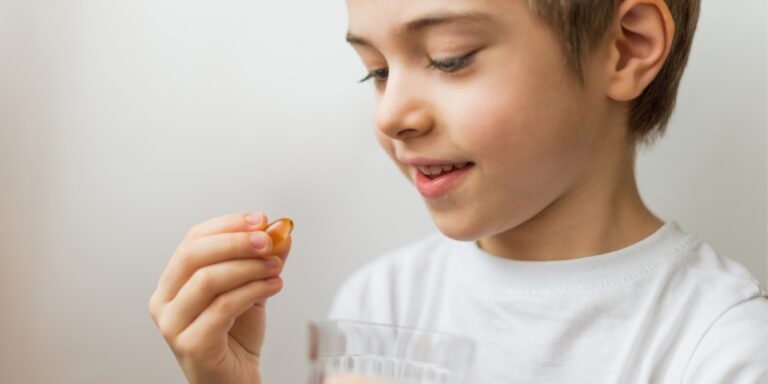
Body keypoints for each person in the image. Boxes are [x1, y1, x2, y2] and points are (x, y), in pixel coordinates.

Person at [149, 0, 768, 383]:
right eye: (377, 70)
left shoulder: (719, 346)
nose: (392, 114)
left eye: (449, 58)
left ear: (626, 47)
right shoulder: (380, 305)